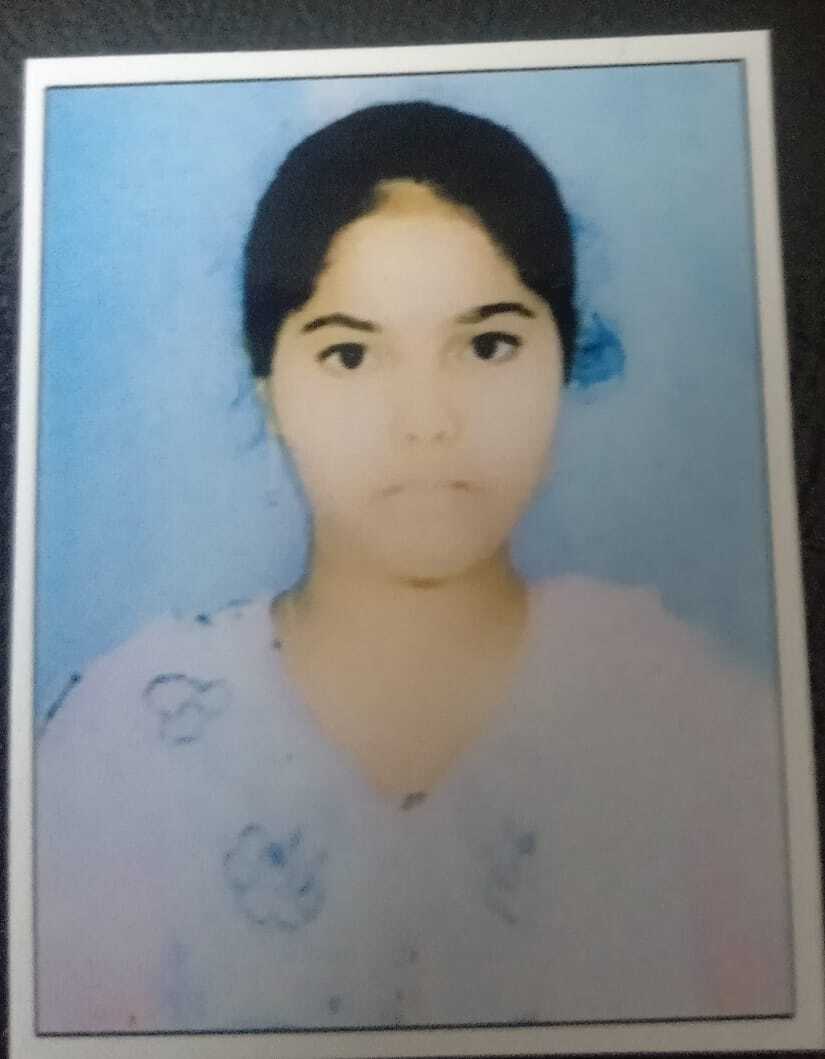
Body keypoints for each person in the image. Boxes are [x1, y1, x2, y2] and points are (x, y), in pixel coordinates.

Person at [36, 102, 792, 1034]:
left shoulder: (698, 725)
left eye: (487, 344)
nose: (427, 421)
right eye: (350, 354)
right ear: (269, 388)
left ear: (563, 355)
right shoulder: (122, 744)